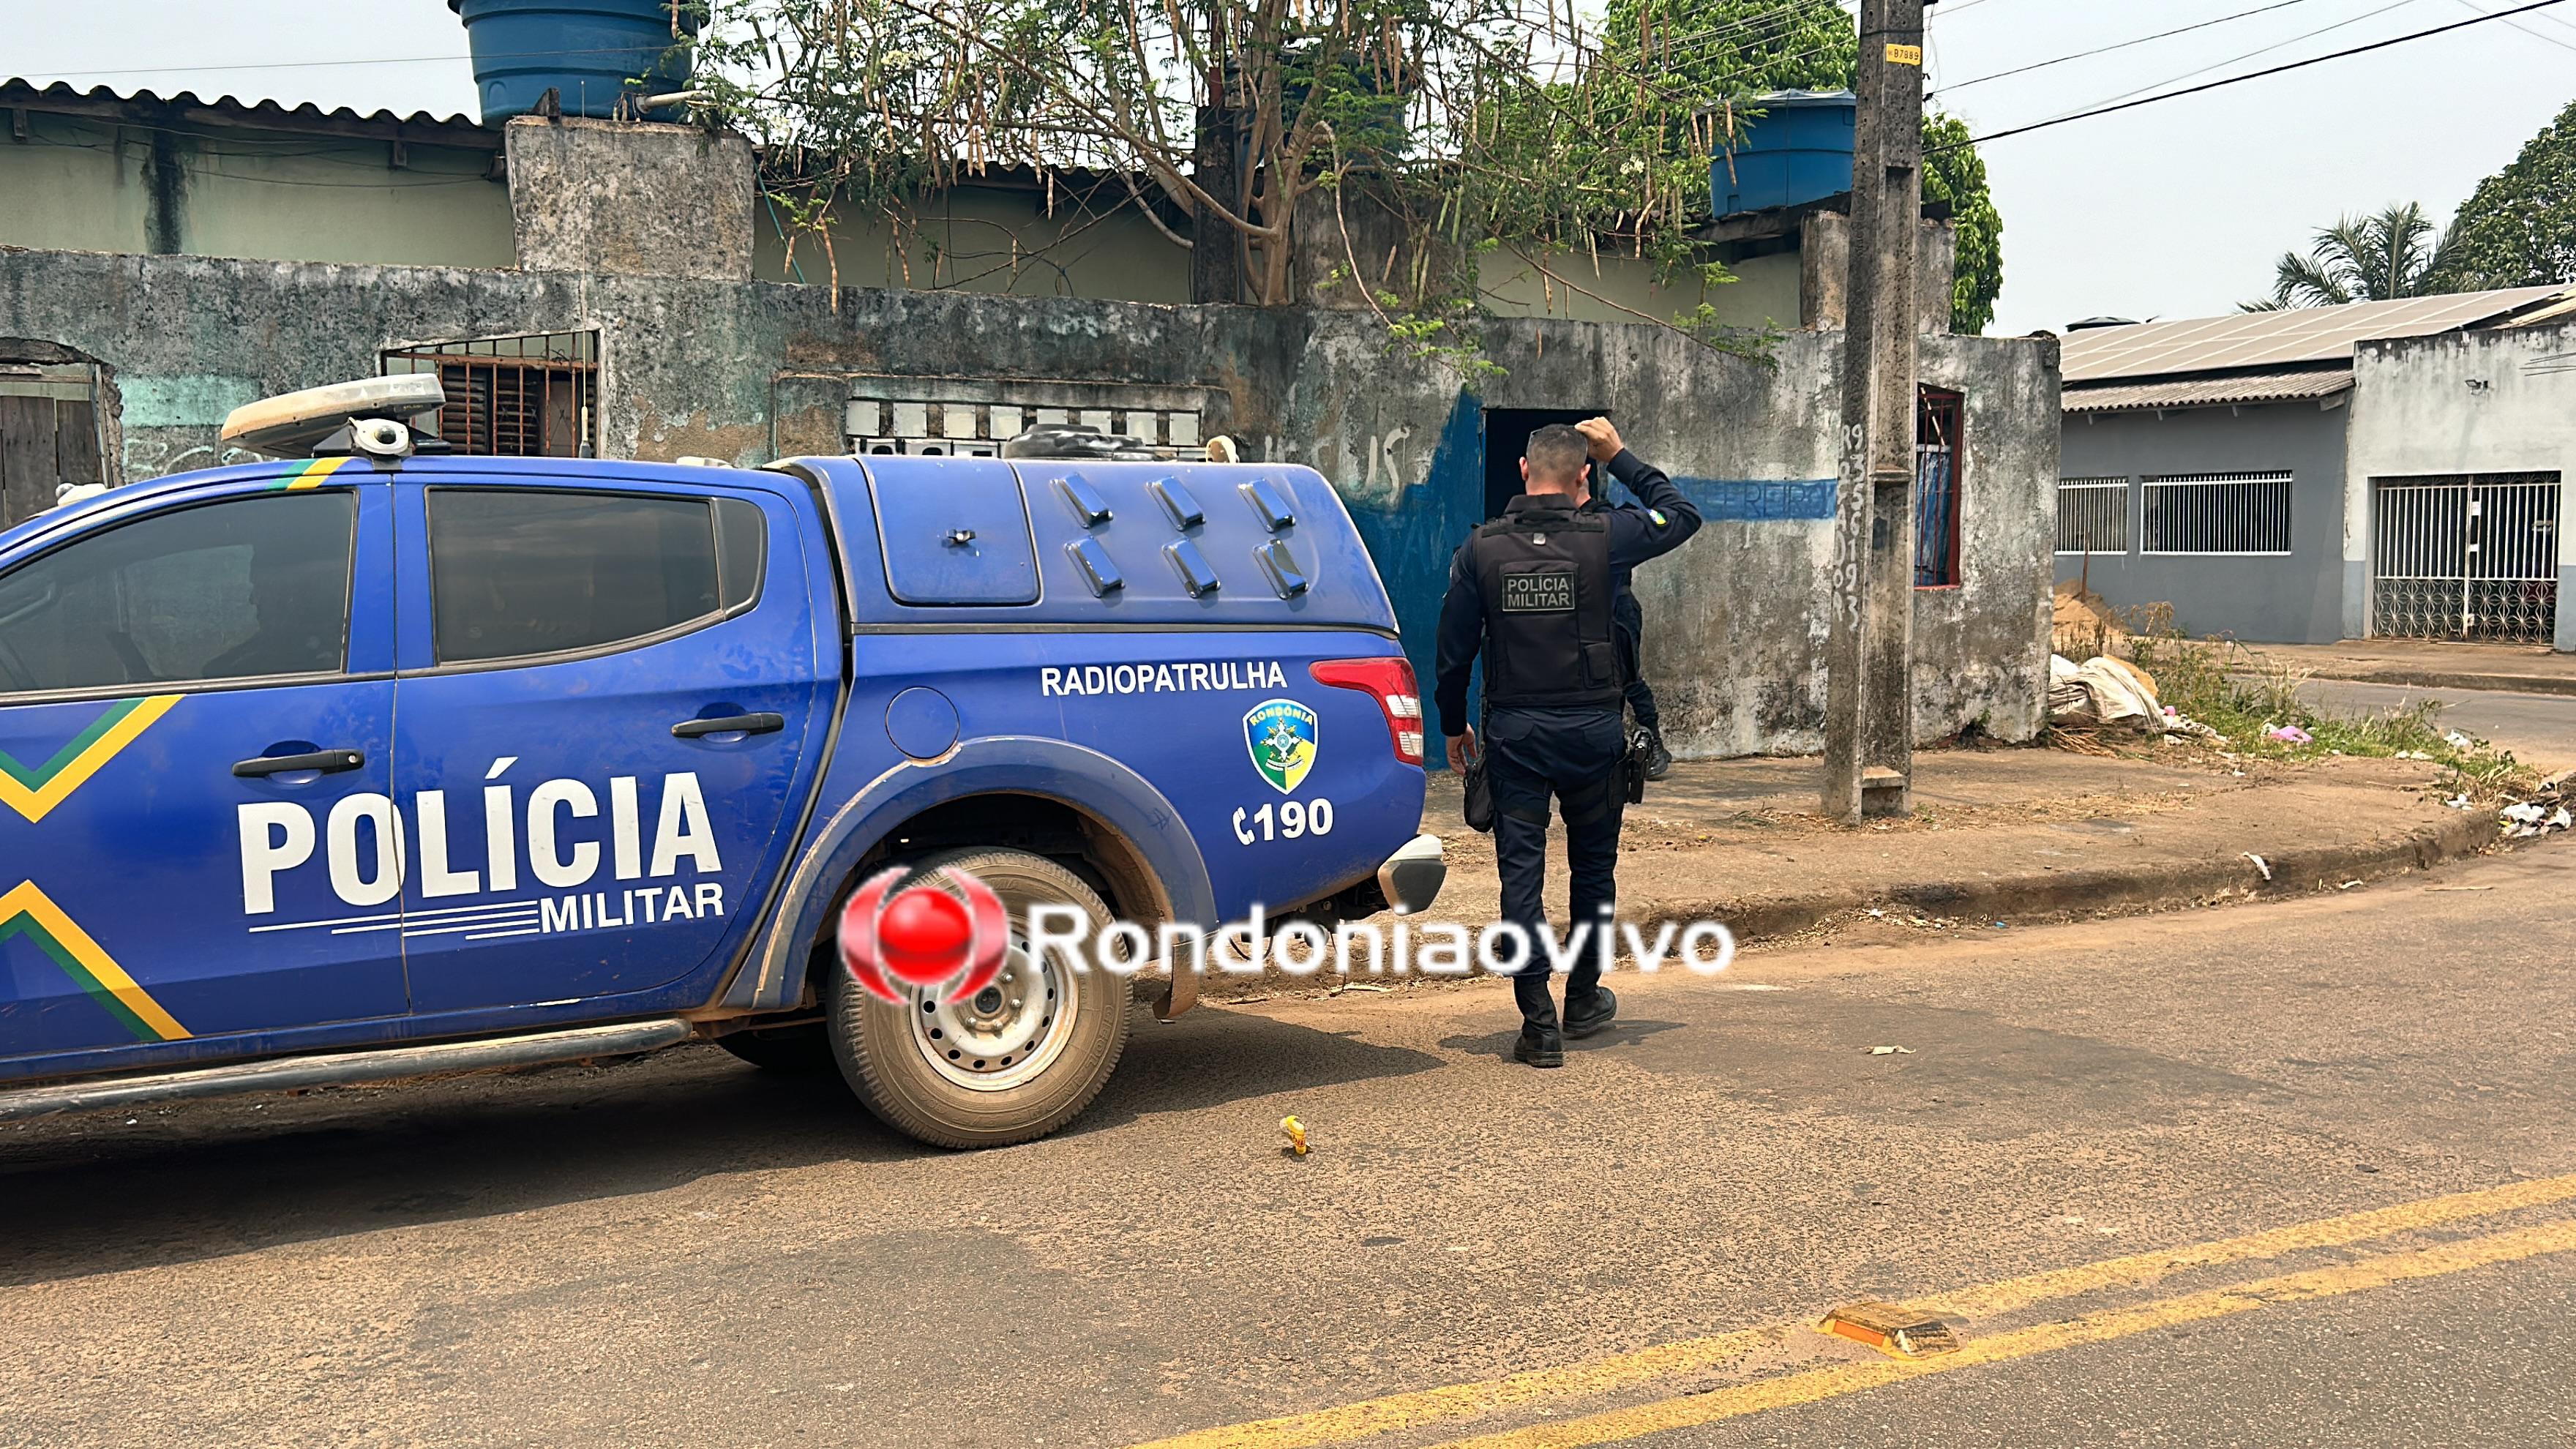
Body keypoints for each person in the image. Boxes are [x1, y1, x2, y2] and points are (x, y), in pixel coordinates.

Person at [1434, 418, 1701, 1067]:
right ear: (1585, 477)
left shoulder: (1482, 550)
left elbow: (1453, 653)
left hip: (1517, 737)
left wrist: (1452, 726)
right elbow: (1681, 514)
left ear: (1523, 472)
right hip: (1592, 736)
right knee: (1593, 871)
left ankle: (1539, 1026)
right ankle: (1583, 998)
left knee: (1519, 877)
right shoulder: (1606, 538)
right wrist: (1623, 455)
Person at [1584, 473, 1675, 781]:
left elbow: (1663, 519)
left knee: (1627, 679)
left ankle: (1654, 744)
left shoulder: (1609, 518)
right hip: (1595, 609)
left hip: (1618, 610)